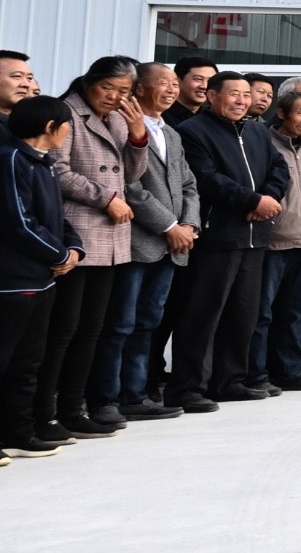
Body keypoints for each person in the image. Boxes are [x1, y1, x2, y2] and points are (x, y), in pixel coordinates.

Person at [171, 72, 290, 413]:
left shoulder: (257, 131)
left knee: (243, 314)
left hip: (255, 236)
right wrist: (251, 201)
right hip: (217, 236)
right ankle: (188, 388)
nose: (241, 100)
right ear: (212, 96)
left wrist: (267, 198)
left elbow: (279, 168)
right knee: (203, 314)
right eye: (233, 94)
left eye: (245, 94)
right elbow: (205, 178)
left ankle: (230, 382)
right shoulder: (192, 131)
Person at [43, 55, 148, 439]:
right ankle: (47, 411)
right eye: (108, 87)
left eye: (123, 91)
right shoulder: (67, 113)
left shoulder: (118, 118)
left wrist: (137, 135)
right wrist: (105, 198)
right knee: (64, 329)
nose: (114, 96)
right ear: (89, 81)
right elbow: (57, 170)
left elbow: (132, 174)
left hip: (112, 236)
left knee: (92, 329)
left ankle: (74, 408)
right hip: (78, 231)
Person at [92, 63, 194, 422]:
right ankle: (105, 398)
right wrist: (169, 225)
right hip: (136, 242)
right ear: (139, 89)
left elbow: (189, 184)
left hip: (171, 246)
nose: (172, 89)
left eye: (174, 83)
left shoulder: (172, 133)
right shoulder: (121, 125)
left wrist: (188, 224)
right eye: (163, 83)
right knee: (120, 323)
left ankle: (135, 395)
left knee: (148, 322)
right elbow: (129, 187)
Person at [2, 96, 87, 461]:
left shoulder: (45, 162)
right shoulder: (11, 159)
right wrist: (59, 255)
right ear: (50, 127)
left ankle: (19, 433)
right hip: (14, 281)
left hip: (42, 280)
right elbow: (18, 222)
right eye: (66, 125)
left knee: (27, 363)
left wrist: (74, 248)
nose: (68, 132)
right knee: (5, 360)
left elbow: (58, 217)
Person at [254, 90, 301, 391]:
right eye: (300, 113)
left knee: (297, 311)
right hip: (273, 243)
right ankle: (256, 374)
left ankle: (290, 371)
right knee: (263, 312)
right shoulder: (264, 144)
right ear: (282, 113)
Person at [163, 57, 217, 129]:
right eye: (198, 79)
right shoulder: (160, 115)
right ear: (177, 79)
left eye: (210, 81)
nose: (205, 86)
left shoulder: (212, 117)